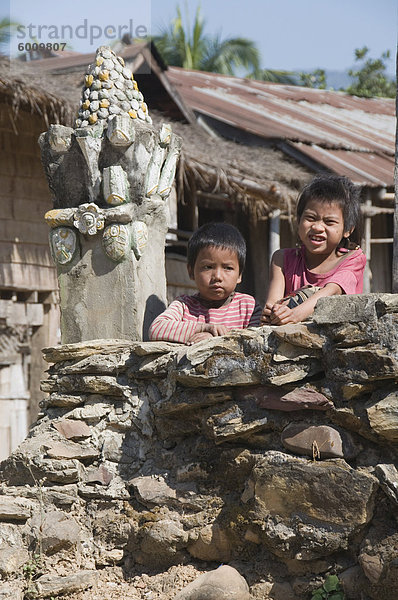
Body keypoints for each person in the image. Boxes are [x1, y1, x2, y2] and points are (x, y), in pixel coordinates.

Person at [262, 174, 366, 326]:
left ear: (347, 230)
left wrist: (295, 314)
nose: (317, 227)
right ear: (299, 220)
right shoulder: (282, 260)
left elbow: (332, 291)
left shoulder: (353, 259)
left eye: (329, 222)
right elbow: (272, 305)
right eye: (310, 218)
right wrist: (272, 314)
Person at [149, 222, 262, 344]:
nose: (217, 277)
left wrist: (214, 339)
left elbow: (257, 342)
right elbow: (156, 329)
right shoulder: (184, 306)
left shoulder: (248, 307)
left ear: (239, 275)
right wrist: (204, 328)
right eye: (208, 267)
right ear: (191, 272)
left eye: (228, 268)